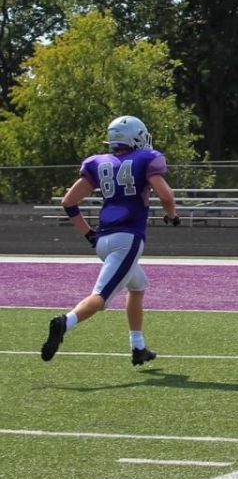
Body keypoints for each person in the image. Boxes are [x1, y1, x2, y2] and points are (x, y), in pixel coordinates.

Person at [41, 115, 180, 365]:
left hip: (103, 241)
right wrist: (172, 217)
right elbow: (166, 196)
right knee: (101, 298)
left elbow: (68, 202)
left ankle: (138, 347)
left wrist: (88, 233)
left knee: (138, 286)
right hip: (127, 239)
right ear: (136, 137)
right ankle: (65, 322)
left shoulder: (99, 163)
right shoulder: (146, 159)